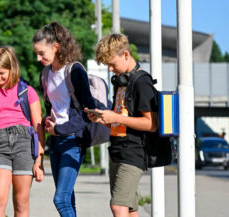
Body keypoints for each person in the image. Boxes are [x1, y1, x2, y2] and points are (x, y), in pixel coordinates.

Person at [86, 33, 158, 217]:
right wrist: (103, 119)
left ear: (126, 54)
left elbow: (151, 124)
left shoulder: (142, 82)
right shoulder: (121, 81)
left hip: (133, 153)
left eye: (112, 64)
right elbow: (122, 119)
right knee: (131, 209)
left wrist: (116, 118)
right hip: (117, 150)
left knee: (118, 206)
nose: (110, 69)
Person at [32, 22, 95, 217]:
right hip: (56, 141)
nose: (38, 58)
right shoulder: (46, 74)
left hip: (73, 141)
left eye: (42, 53)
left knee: (60, 199)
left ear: (56, 47)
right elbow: (53, 108)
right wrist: (49, 122)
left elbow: (88, 112)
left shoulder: (74, 70)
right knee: (68, 200)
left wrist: (59, 129)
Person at [0, 46, 44, 217]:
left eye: (1, 73)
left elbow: (38, 127)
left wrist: (38, 161)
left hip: (24, 146)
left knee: (21, 204)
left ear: (12, 69)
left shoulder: (28, 92)